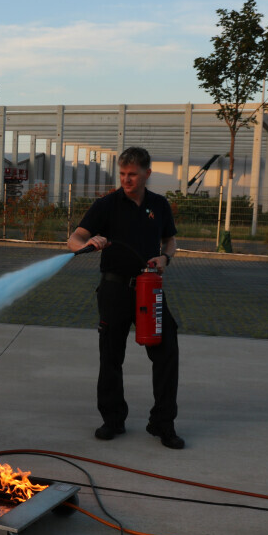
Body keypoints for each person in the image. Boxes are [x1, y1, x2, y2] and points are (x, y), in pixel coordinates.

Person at [67, 146, 184, 449]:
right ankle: (113, 420)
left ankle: (163, 423)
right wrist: (89, 240)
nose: (127, 179)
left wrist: (165, 258)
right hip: (114, 289)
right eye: (122, 174)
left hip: (150, 289)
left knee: (167, 350)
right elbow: (74, 239)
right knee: (110, 355)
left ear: (147, 173)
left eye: (132, 174)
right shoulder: (106, 204)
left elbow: (170, 240)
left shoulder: (159, 204)